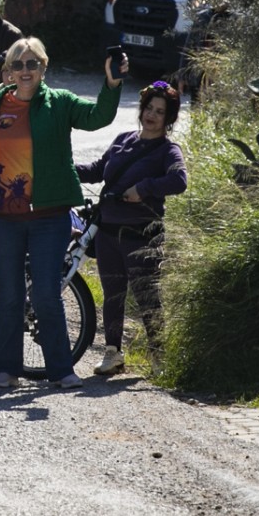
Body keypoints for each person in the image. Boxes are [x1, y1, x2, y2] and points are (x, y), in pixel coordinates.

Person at [0, 38, 125, 389]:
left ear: (43, 67)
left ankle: (61, 369)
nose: (25, 71)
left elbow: (99, 116)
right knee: (9, 293)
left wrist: (112, 85)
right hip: (0, 220)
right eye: (18, 65)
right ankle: (5, 369)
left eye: (32, 64)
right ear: (8, 70)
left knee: (45, 295)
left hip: (48, 218)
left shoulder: (60, 103)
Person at [76, 80, 187, 376]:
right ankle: (112, 353)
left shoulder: (168, 150)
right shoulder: (124, 139)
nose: (151, 115)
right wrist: (65, 168)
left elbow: (180, 181)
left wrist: (145, 188)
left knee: (147, 298)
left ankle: (159, 357)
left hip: (142, 236)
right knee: (113, 295)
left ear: (169, 118)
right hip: (108, 232)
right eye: (149, 108)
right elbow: (98, 170)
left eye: (159, 111)